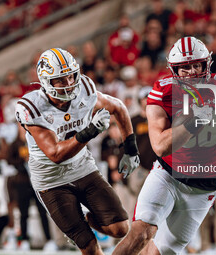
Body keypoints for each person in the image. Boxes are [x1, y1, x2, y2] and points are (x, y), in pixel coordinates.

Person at [113, 36, 216, 255]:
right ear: (174, 70)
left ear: (207, 64)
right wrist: (193, 123)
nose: (191, 71)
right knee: (142, 232)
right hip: (168, 174)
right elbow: (160, 147)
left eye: (196, 65)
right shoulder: (163, 91)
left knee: (160, 252)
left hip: (204, 186)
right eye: (185, 68)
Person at [15, 48, 140, 255]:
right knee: (89, 247)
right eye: (61, 80)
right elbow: (55, 154)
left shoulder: (85, 89)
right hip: (51, 180)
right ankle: (77, 228)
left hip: (82, 168)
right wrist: (90, 131)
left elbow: (118, 107)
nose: (69, 83)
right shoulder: (32, 107)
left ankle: (83, 219)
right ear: (46, 81)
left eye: (71, 76)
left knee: (120, 228)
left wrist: (130, 148)